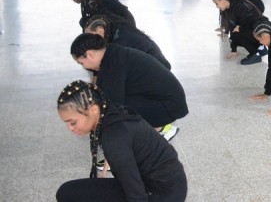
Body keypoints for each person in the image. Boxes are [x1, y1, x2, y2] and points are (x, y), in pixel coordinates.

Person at [55, 80, 187, 202]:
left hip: (161, 194)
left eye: (73, 122)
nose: (70, 128)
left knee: (67, 193)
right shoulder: (109, 111)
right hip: (169, 184)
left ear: (94, 110)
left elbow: (136, 195)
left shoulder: (114, 138)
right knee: (72, 191)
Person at [70, 33, 188, 137]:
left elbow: (112, 104)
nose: (84, 67)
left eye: (81, 63)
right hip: (166, 101)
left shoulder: (113, 64)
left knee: (115, 110)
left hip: (168, 107)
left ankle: (160, 129)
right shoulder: (112, 53)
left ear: (89, 54)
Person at [85, 14, 171, 70]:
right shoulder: (115, 30)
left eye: (91, 36)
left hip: (159, 70)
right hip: (158, 66)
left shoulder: (120, 40)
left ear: (100, 30)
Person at [211, 0, 265, 64]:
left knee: (238, 34)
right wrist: (233, 50)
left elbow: (250, 26)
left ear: (223, 1)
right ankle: (261, 48)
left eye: (216, 3)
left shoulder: (240, 8)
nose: (216, 6)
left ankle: (256, 54)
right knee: (236, 34)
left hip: (260, 32)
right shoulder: (229, 8)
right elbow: (232, 29)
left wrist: (239, 29)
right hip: (254, 32)